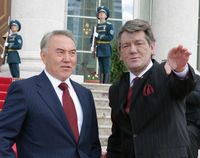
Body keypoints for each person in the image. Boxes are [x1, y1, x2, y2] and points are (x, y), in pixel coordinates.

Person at [0, 30, 101, 158]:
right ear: (44, 56)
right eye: (60, 52)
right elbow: (2, 138)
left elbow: (93, 144)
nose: (67, 59)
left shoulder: (85, 95)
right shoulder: (24, 91)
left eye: (72, 53)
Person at [106, 19, 196, 158]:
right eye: (126, 45)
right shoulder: (116, 89)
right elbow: (118, 135)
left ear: (152, 48)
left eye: (139, 43)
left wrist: (181, 70)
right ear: (120, 55)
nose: (133, 50)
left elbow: (183, 85)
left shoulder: (166, 74)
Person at [90, 6, 114, 84]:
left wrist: (99, 36)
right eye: (100, 13)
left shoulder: (109, 25)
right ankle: (101, 83)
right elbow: (92, 37)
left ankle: (106, 84)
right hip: (99, 49)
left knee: (106, 67)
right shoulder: (95, 26)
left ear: (106, 16)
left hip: (106, 48)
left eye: (103, 13)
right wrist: (92, 46)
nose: (101, 14)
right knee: (101, 68)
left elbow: (110, 37)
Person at [186, 74, 200, 158]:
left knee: (188, 134)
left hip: (194, 123)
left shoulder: (195, 78)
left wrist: (181, 95)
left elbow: (198, 96)